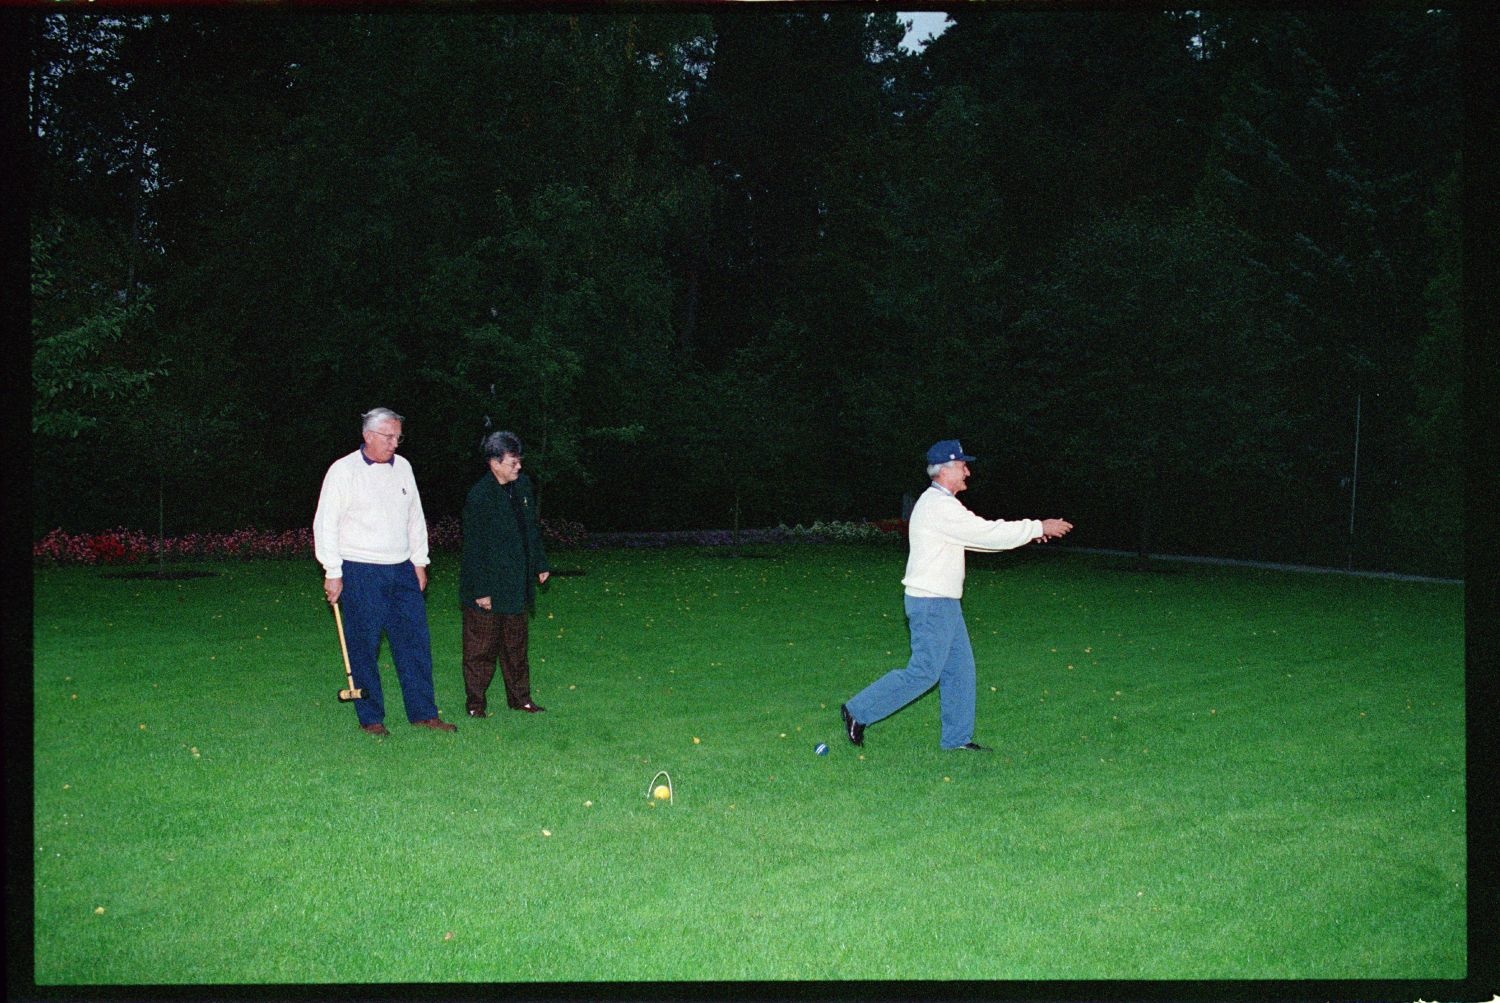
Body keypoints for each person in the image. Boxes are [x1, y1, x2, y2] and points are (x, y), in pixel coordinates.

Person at [840, 440, 1072, 751]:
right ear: (946, 470)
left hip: (942, 602)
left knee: (960, 671)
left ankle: (957, 741)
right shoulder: (939, 506)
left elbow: (974, 540)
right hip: (932, 602)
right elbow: (984, 533)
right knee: (924, 671)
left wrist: (1030, 535)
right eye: (963, 465)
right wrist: (1036, 526)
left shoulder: (940, 504)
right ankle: (858, 710)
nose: (968, 471)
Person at [313, 408, 456, 736]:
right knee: (363, 646)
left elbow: (414, 518)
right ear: (368, 436)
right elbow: (326, 523)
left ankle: (423, 713)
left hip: (402, 570)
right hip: (360, 570)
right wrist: (332, 570)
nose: (394, 443)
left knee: (415, 643)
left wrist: (419, 561)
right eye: (388, 437)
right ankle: (371, 717)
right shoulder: (343, 471)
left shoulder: (403, 468)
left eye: (398, 437)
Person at [458, 431, 551, 717]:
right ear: (494, 462)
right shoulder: (479, 496)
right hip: (486, 587)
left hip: (515, 585)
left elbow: (529, 531)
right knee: (481, 650)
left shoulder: (522, 487)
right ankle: (476, 704)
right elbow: (473, 548)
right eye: (513, 462)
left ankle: (520, 699)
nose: (518, 467)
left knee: (516, 647)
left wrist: (540, 563)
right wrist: (481, 591)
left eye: (519, 461)